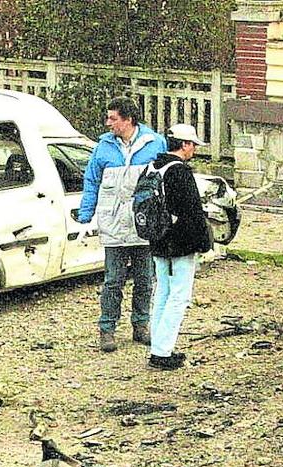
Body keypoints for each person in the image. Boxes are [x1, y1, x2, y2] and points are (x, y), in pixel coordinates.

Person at [77, 97, 167, 353]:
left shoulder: (154, 143)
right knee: (113, 280)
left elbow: (163, 179)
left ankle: (141, 325)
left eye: (113, 118)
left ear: (128, 119)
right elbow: (91, 180)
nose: (108, 123)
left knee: (145, 279)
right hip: (114, 223)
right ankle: (107, 329)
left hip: (143, 224)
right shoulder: (103, 147)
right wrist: (86, 215)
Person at [146, 124, 212, 371]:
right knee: (179, 296)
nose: (194, 149)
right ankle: (162, 352)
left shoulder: (153, 167)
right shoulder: (180, 172)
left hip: (158, 238)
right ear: (184, 145)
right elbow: (192, 212)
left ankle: (159, 346)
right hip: (180, 242)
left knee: (162, 292)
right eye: (192, 144)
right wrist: (203, 243)